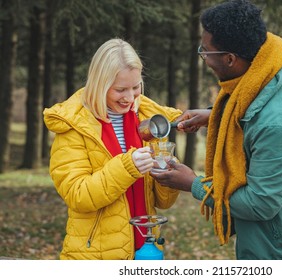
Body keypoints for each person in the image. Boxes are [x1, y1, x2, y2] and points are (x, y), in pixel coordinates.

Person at [151, 0, 282, 260]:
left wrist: (193, 184)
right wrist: (217, 115)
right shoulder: (273, 65)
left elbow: (260, 203)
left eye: (206, 52)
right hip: (273, 234)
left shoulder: (278, 126)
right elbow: (258, 104)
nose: (203, 58)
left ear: (230, 59)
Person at [43, 38, 182, 260]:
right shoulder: (74, 125)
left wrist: (166, 175)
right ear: (100, 84)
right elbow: (77, 195)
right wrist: (128, 167)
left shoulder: (147, 120)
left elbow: (162, 203)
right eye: (120, 89)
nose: (129, 97)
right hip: (94, 256)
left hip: (145, 249)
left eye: (136, 87)